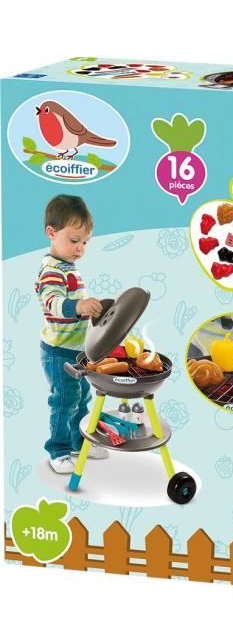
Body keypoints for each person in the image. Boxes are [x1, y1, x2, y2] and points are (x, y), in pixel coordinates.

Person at [36, 195, 106, 474]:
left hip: (76, 349)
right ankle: (59, 450)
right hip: (58, 351)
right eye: (75, 240)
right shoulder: (51, 271)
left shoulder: (68, 267)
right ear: (51, 232)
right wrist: (78, 306)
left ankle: (80, 443)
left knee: (81, 397)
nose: (80, 248)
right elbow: (52, 303)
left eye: (85, 242)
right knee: (64, 401)